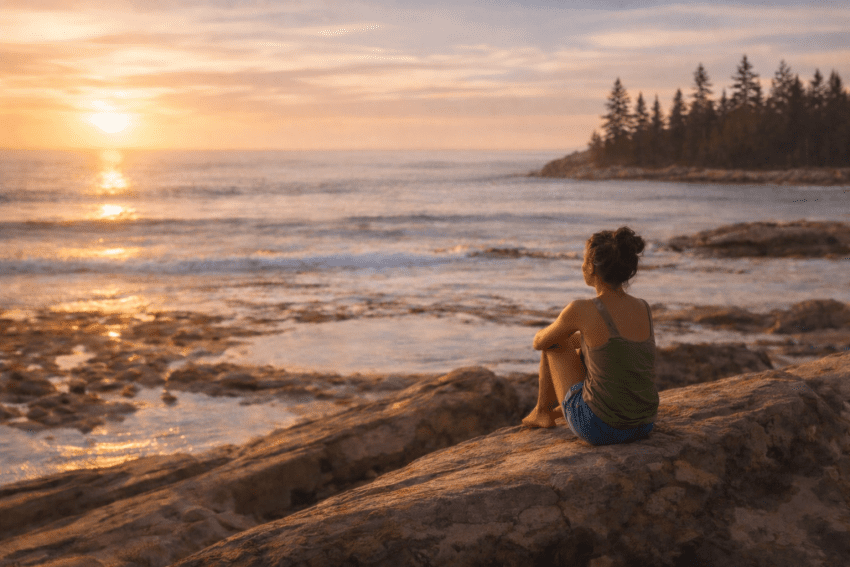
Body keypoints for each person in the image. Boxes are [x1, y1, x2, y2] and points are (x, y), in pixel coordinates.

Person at [522, 226, 658, 445]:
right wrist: (576, 339)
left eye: (584, 260)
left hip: (600, 428)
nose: (582, 265)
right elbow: (609, 346)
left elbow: (540, 342)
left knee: (553, 344)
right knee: (583, 348)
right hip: (644, 424)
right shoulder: (643, 307)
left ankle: (542, 412)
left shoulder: (581, 309)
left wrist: (556, 335)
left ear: (592, 268)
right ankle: (550, 410)